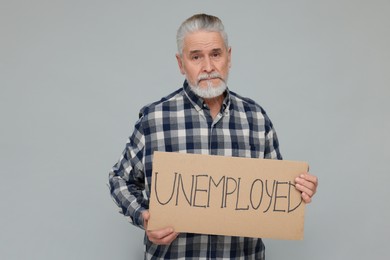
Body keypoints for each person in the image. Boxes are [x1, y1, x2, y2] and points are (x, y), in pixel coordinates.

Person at [109, 13, 318, 259]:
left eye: (216, 54)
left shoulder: (256, 119)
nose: (208, 67)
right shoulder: (154, 119)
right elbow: (120, 179)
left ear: (229, 57)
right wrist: (143, 216)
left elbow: (274, 193)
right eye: (196, 57)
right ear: (180, 63)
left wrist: (299, 190)